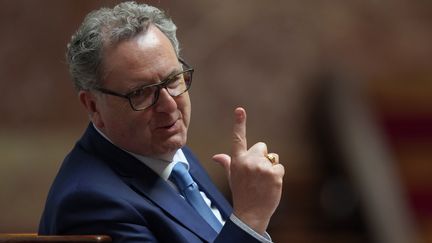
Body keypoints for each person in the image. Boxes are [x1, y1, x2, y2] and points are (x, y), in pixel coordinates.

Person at [38, 2, 284, 242]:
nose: (169, 105)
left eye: (173, 79)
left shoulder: (162, 148)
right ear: (93, 106)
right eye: (142, 92)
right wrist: (250, 217)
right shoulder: (88, 205)